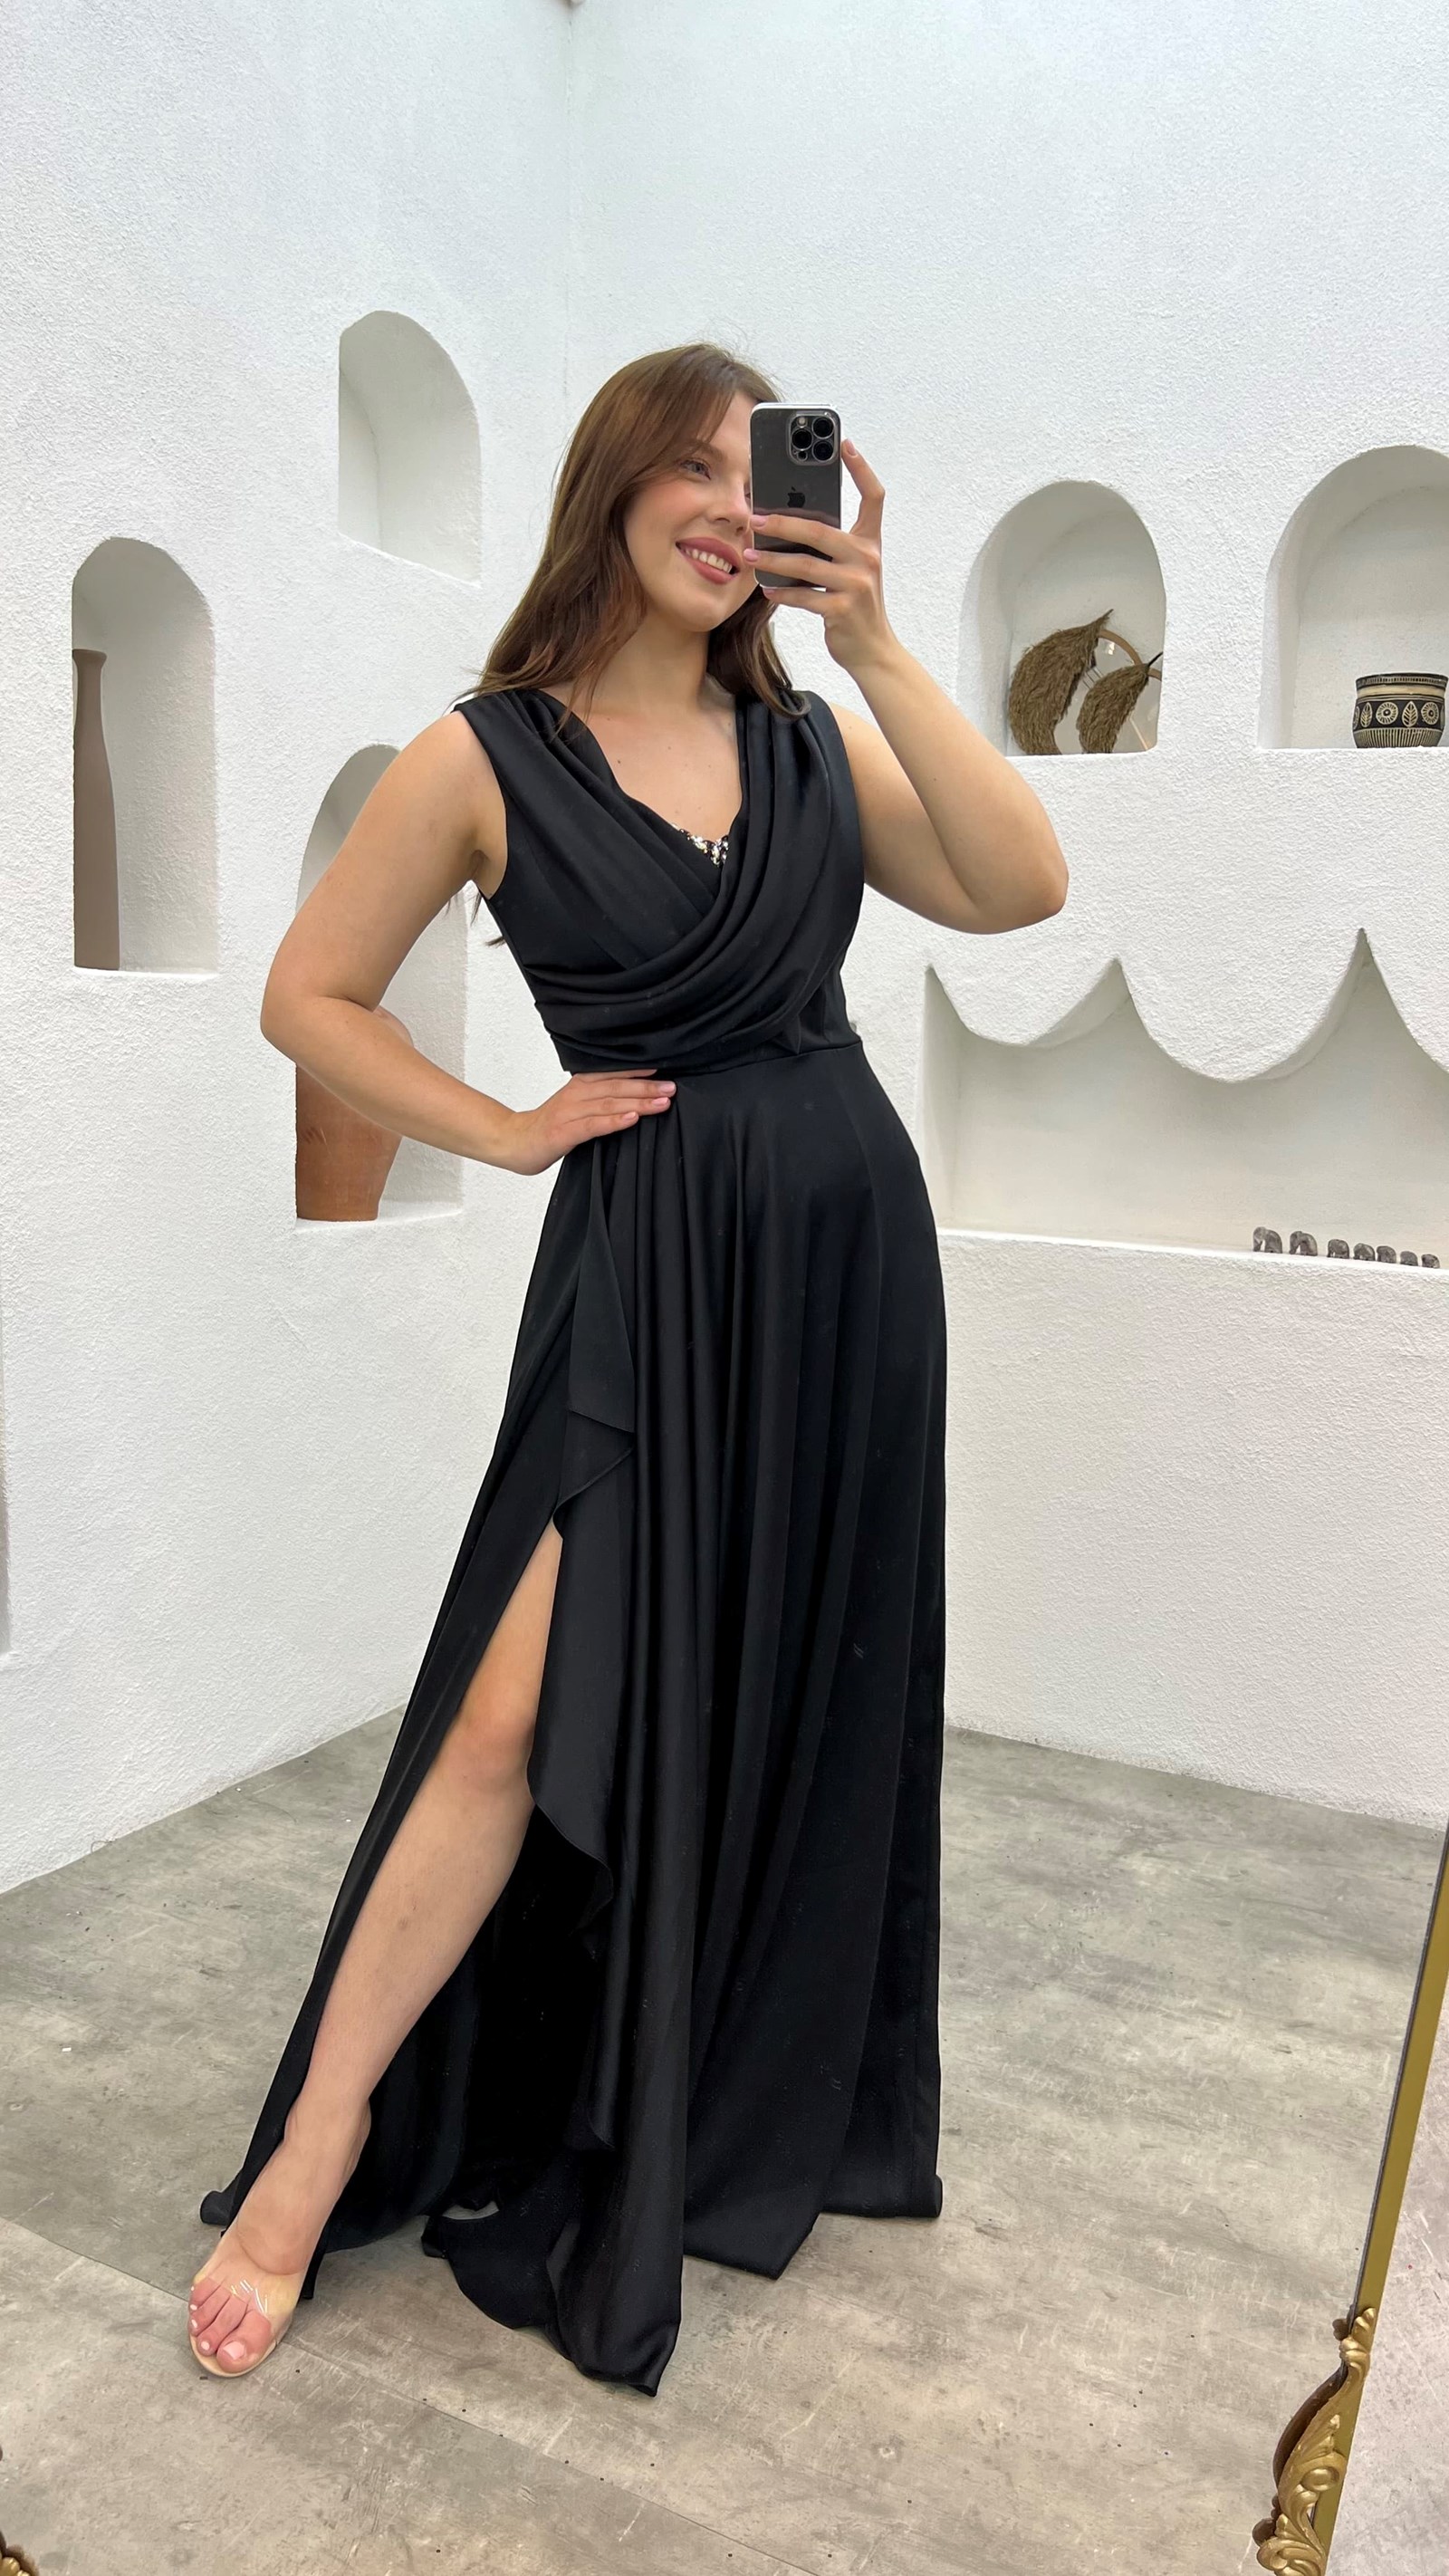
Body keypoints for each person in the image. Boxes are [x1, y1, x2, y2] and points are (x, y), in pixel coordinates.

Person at [188, 341, 1068, 2394]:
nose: (726, 512)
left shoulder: (808, 742)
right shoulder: (482, 755)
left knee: (778, 1683)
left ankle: (715, 2066)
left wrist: (877, 644)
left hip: (842, 1263)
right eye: (688, 468)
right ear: (611, 483)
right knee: (508, 1715)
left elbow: (1021, 885)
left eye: (757, 478)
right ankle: (316, 2151)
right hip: (646, 1272)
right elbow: (310, 995)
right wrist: (504, 1130)